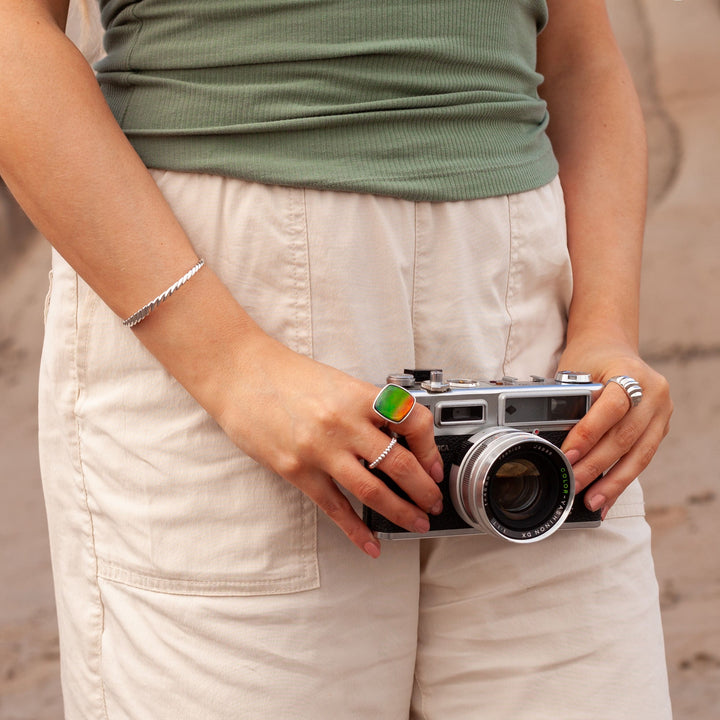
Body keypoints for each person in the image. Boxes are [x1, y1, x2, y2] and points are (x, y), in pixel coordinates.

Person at [1, 0, 674, 718]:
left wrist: (606, 327)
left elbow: (578, 58)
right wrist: (230, 363)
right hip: (220, 302)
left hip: (527, 331)